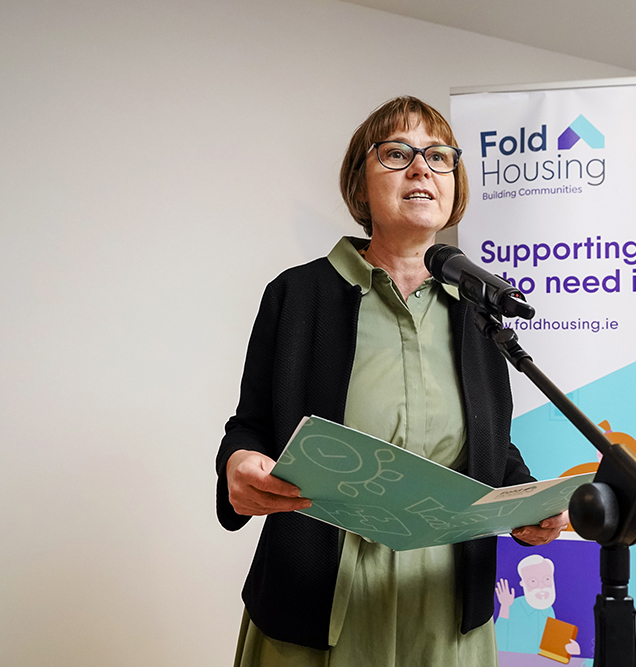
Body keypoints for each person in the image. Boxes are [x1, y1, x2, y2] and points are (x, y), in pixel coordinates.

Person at [216, 96, 567, 666]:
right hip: (320, 590)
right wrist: (238, 465)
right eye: (398, 153)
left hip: (447, 596)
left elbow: (489, 447)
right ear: (361, 185)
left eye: (438, 156)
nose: (422, 168)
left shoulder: (477, 309)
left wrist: (525, 503)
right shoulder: (297, 296)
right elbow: (250, 427)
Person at [494, 555, 580, 656]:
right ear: (523, 584)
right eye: (533, 582)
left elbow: (551, 646)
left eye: (546, 580)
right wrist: (504, 606)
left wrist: (569, 648)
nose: (541, 587)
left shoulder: (548, 610)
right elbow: (498, 640)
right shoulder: (514, 606)